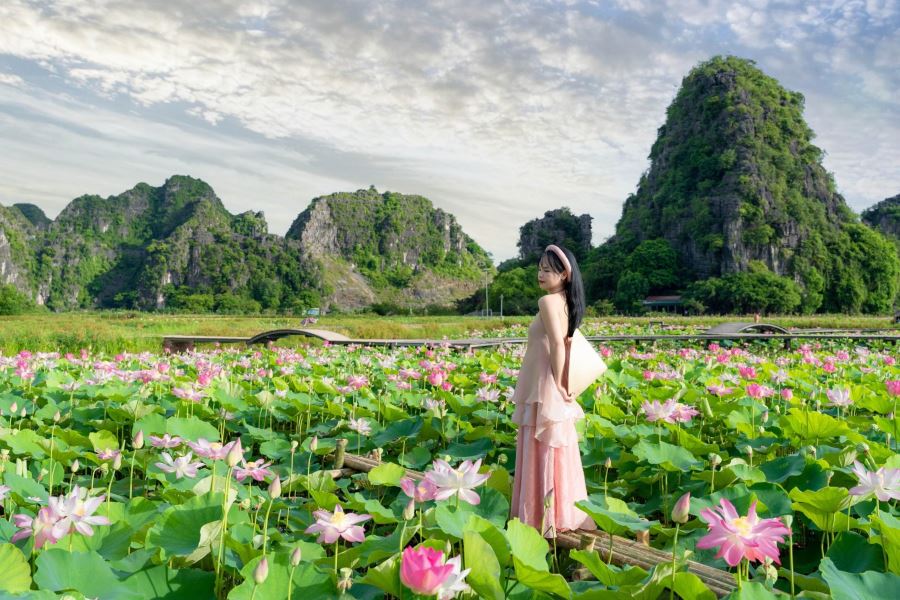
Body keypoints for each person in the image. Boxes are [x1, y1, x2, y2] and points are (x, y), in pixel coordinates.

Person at [509, 244, 596, 537]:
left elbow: (559, 344)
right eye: (540, 269)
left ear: (564, 275)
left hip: (544, 383)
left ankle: (539, 516)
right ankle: (559, 512)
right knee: (554, 450)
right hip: (547, 380)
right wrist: (564, 384)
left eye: (547, 270)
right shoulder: (565, 302)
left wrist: (559, 383)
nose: (541, 274)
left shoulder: (547, 302)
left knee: (541, 446)